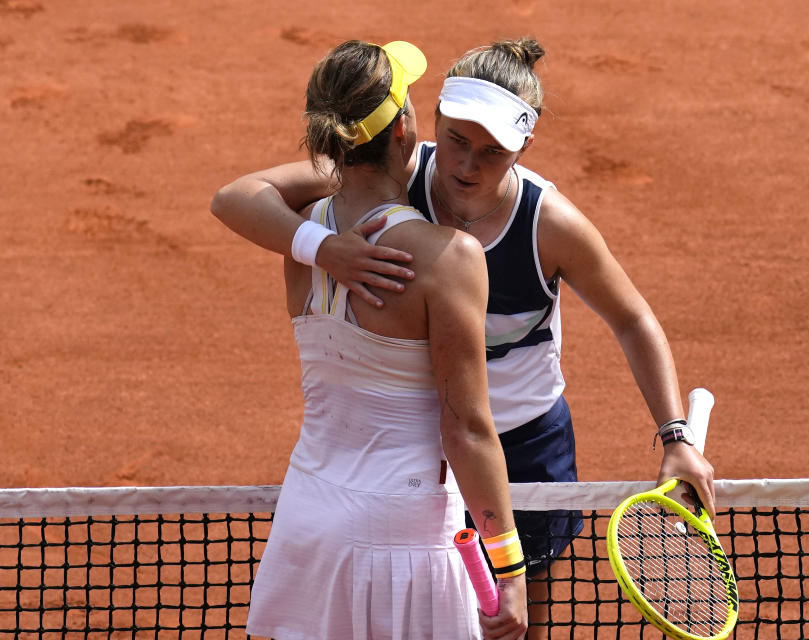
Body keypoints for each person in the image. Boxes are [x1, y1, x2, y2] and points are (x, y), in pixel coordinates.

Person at [212, 38, 715, 638]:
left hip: (524, 447)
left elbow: (633, 320)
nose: (466, 167)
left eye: (493, 152)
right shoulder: (397, 174)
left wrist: (674, 434)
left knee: (518, 625)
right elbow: (239, 198)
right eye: (455, 140)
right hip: (431, 455)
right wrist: (327, 249)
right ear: (428, 124)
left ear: (524, 147)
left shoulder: (550, 225)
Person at [234, 40, 527, 640]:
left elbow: (239, 195)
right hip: (405, 534)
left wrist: (321, 246)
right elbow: (466, 426)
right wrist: (509, 563)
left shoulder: (301, 238)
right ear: (404, 131)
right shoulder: (450, 259)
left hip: (307, 519)